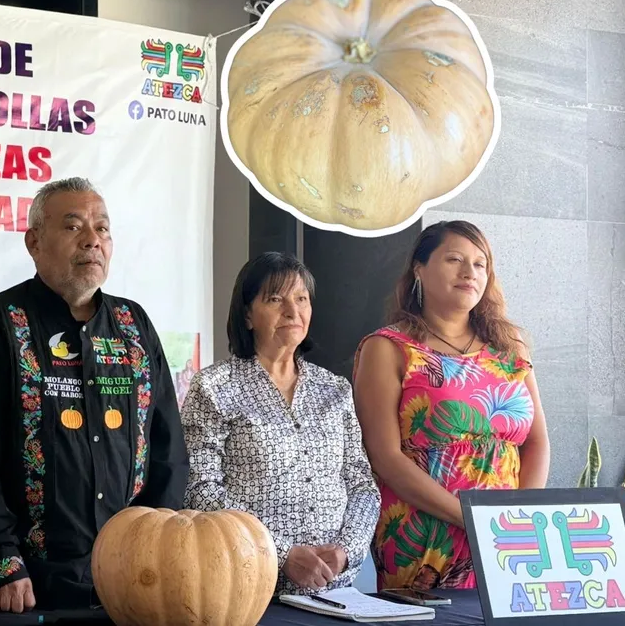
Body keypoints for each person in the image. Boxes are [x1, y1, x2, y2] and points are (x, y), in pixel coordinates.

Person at [0, 177, 188, 613]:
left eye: (102, 228)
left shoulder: (134, 326)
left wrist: (153, 549)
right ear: (34, 241)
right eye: (73, 227)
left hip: (125, 584)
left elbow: (167, 453)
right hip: (23, 588)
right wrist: (1, 561)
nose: (93, 240)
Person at [353, 220, 549, 590]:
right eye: (454, 259)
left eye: (480, 263)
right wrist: (468, 518)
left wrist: (519, 518)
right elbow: (384, 457)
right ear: (419, 269)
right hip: (425, 538)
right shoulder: (388, 348)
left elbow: (536, 441)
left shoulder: (510, 346)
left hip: (505, 539)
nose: (469, 272)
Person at [182, 252, 380, 596]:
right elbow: (199, 489)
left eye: (301, 298)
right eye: (275, 299)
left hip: (336, 591)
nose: (293, 310)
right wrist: (280, 552)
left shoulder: (334, 389)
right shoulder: (214, 387)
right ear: (247, 315)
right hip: (249, 585)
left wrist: (346, 550)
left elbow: (362, 485)